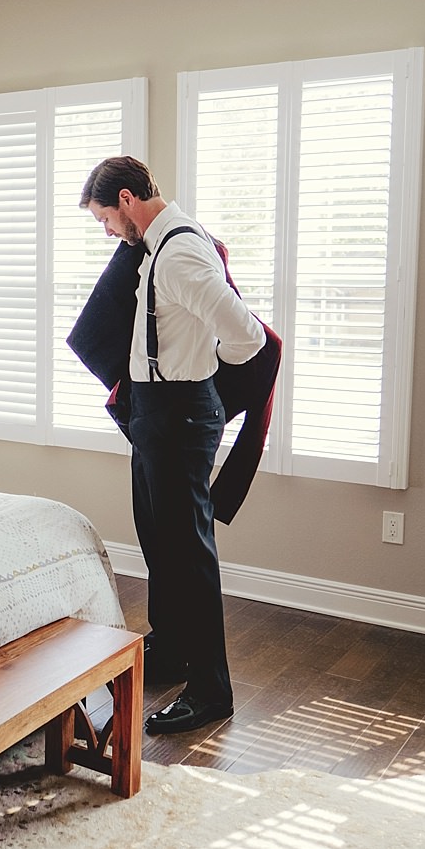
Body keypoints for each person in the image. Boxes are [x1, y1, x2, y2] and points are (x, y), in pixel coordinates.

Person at [79, 156, 267, 735]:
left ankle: (211, 690)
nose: (108, 232)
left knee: (189, 554)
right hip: (156, 413)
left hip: (181, 415)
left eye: (106, 219)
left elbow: (247, 336)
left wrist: (201, 382)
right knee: (158, 538)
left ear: (129, 200)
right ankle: (175, 648)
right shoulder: (155, 246)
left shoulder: (181, 252)